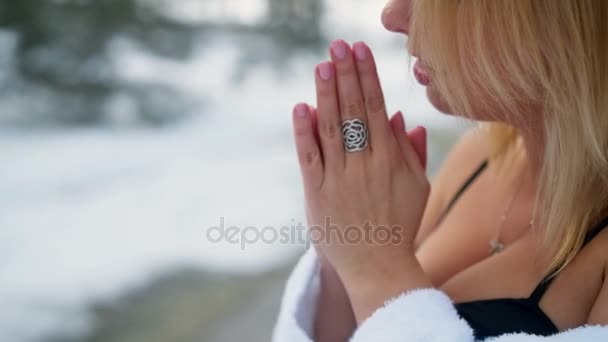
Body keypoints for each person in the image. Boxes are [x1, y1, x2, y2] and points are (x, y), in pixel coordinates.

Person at [273, 0, 608, 341]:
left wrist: (378, 270)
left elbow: (379, 290)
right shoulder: (478, 156)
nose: (392, 16)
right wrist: (347, 242)